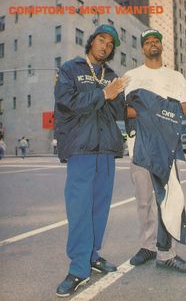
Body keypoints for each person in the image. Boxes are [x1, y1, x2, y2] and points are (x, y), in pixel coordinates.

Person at [54, 24, 128, 297]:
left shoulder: (112, 75)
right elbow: (64, 103)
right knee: (79, 210)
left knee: (100, 209)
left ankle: (92, 255)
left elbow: (118, 112)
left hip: (106, 149)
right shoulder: (71, 69)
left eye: (110, 44)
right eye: (102, 40)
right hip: (81, 149)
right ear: (91, 41)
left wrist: (121, 95)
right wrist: (103, 94)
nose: (105, 46)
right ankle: (77, 267)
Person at [124, 29, 186, 273]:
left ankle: (166, 253)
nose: (152, 44)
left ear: (161, 46)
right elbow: (125, 111)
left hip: (167, 148)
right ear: (142, 48)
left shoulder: (175, 76)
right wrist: (160, 108)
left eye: (156, 41)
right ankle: (147, 247)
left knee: (167, 200)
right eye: (147, 42)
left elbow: (184, 108)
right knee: (143, 202)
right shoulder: (131, 76)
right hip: (139, 146)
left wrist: (149, 108)